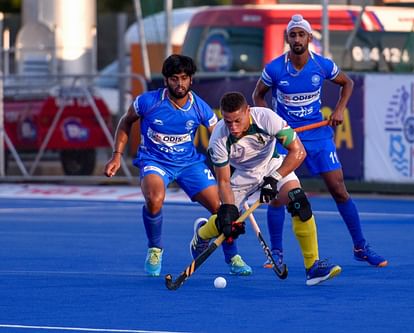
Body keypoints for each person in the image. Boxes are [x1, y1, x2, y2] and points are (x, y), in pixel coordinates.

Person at [252, 14, 387, 268]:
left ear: (309, 38)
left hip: (318, 136)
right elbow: (257, 95)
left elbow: (346, 83)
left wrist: (338, 110)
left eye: (301, 34)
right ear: (288, 39)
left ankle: (361, 247)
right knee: (280, 196)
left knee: (339, 189)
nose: (297, 39)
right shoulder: (274, 68)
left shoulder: (322, 65)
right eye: (293, 35)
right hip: (286, 138)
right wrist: (270, 123)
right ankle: (277, 253)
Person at [103, 54, 252, 277]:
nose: (179, 83)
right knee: (154, 199)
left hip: (189, 164)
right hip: (155, 161)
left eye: (184, 78)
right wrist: (117, 155)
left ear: (191, 79)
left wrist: (239, 159)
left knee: (223, 209)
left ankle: (232, 256)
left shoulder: (200, 108)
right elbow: (126, 122)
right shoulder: (147, 102)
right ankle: (155, 248)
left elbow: (220, 135)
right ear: (165, 80)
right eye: (174, 78)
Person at [190, 91, 341, 286]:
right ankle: (202, 234)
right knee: (225, 219)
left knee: (299, 201)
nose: (233, 128)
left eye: (237, 120)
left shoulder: (266, 118)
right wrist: (228, 210)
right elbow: (224, 182)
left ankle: (313, 268)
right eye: (228, 122)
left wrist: (274, 178)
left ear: (248, 111)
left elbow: (299, 151)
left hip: (273, 166)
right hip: (243, 175)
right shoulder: (218, 139)